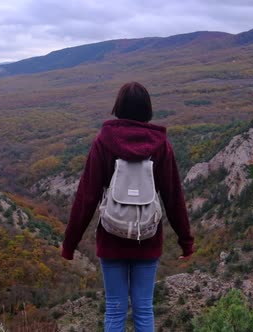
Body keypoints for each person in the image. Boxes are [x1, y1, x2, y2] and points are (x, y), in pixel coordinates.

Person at [61, 82, 194, 331]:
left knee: (114, 308)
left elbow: (86, 197)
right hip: (148, 238)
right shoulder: (161, 145)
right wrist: (186, 241)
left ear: (118, 107)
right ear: (147, 109)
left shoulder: (103, 141)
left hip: (112, 237)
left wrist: (70, 244)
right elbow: (173, 196)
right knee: (144, 309)